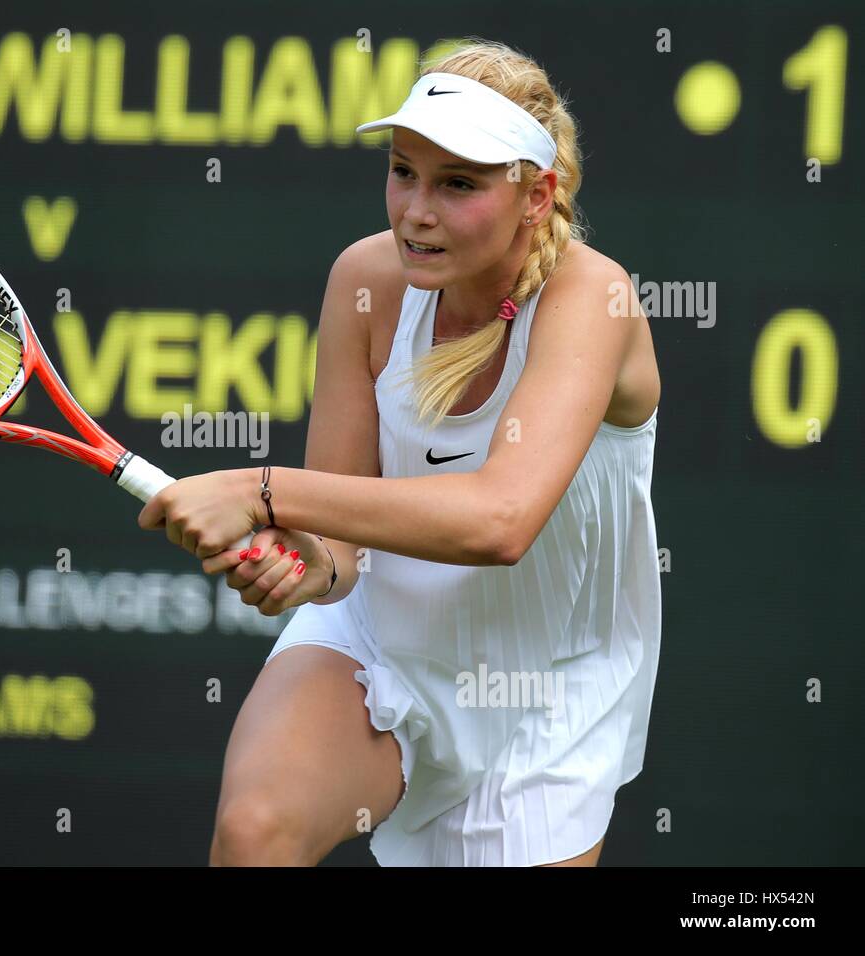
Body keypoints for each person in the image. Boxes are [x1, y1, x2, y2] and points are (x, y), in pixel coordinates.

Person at [138, 39, 662, 867]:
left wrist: (258, 489)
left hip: (543, 705)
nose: (416, 209)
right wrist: (311, 568)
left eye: (457, 184)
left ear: (537, 196)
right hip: (375, 645)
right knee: (255, 832)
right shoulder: (365, 281)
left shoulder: (593, 298)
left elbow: (501, 521)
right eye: (403, 171)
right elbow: (340, 548)